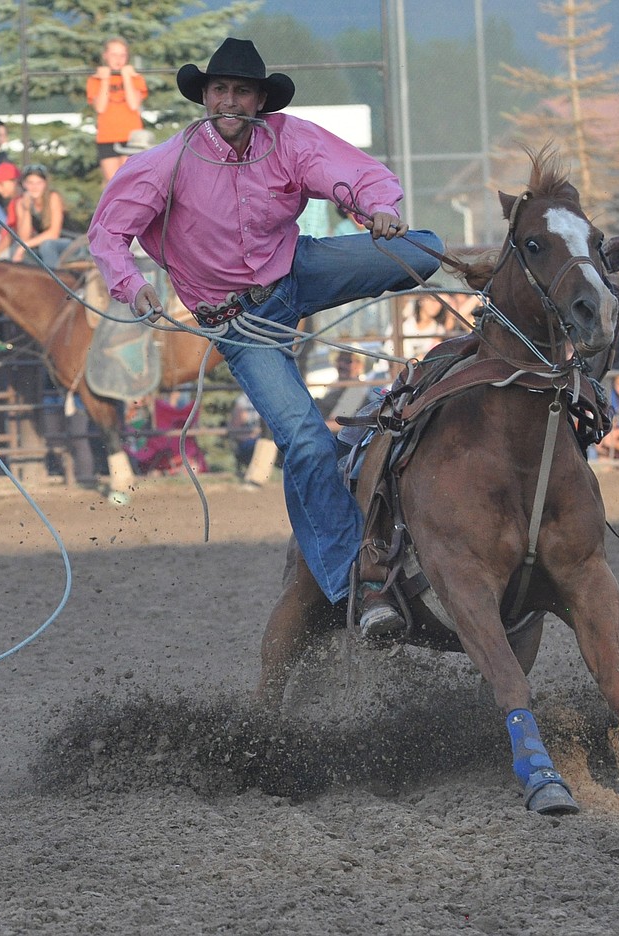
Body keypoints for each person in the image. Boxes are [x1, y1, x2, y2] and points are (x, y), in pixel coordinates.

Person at [88, 37, 444, 638]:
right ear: (206, 98)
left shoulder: (288, 138)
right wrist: (131, 287)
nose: (230, 100)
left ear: (258, 101)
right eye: (220, 90)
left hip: (295, 272)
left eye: (242, 91)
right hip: (236, 320)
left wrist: (376, 208)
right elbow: (107, 232)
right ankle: (354, 579)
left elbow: (349, 174)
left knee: (423, 249)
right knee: (303, 439)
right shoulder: (167, 163)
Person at [86, 37, 148, 183]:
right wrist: (105, 79)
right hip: (107, 136)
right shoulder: (95, 79)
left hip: (132, 137)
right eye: (114, 55)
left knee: (131, 182)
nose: (118, 59)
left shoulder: (135, 78)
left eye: (122, 55)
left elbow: (134, 105)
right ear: (105, 56)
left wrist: (126, 77)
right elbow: (100, 107)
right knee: (113, 184)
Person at [11, 164, 72, 268]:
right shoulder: (21, 203)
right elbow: (24, 237)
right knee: (16, 247)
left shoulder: (53, 197)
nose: (34, 187)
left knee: (47, 246)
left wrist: (23, 247)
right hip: (43, 241)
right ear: (24, 184)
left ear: (45, 184)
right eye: (30, 183)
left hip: (67, 241)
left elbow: (54, 233)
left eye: (39, 183)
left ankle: (54, 279)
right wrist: (26, 210)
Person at [0, 162, 22, 258]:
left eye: (1, 184)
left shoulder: (21, 202)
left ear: (14, 182)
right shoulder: (13, 203)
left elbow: (11, 235)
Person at [400, 293, 446, 359]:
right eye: (432, 300)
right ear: (421, 300)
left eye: (439, 301)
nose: (436, 304)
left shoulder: (439, 330)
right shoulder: (405, 323)